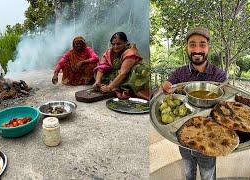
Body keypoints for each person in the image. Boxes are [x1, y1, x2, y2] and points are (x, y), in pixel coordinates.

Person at [161, 27, 227, 180]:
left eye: (202, 44)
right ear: (187, 48)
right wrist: (166, 86)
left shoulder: (219, 75)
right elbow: (169, 85)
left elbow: (225, 109)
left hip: (209, 142)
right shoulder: (179, 73)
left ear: (208, 47)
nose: (197, 50)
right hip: (183, 139)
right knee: (188, 174)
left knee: (208, 176)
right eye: (192, 44)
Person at [93, 32, 150, 100]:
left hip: (131, 75)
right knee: (98, 74)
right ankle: (116, 85)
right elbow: (101, 67)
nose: (115, 46)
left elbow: (123, 73)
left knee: (138, 69)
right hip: (118, 73)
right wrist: (97, 82)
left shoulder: (130, 52)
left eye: (118, 44)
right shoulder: (109, 52)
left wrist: (109, 87)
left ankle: (128, 88)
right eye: (113, 44)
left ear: (125, 43)